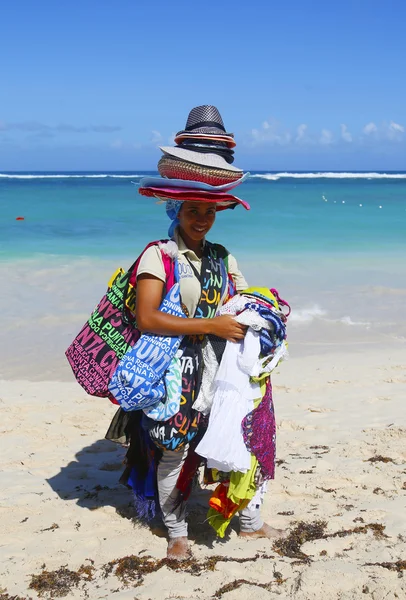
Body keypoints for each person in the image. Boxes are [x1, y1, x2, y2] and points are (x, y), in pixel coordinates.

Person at [106, 106, 286, 560]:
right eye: (192, 209)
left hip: (221, 369)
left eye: (209, 210)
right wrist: (213, 325)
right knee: (176, 449)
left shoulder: (223, 257)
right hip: (174, 371)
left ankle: (247, 521)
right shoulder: (158, 256)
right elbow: (148, 318)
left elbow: (242, 298)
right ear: (177, 208)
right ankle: (177, 532)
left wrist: (265, 313)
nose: (201, 218)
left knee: (237, 439)